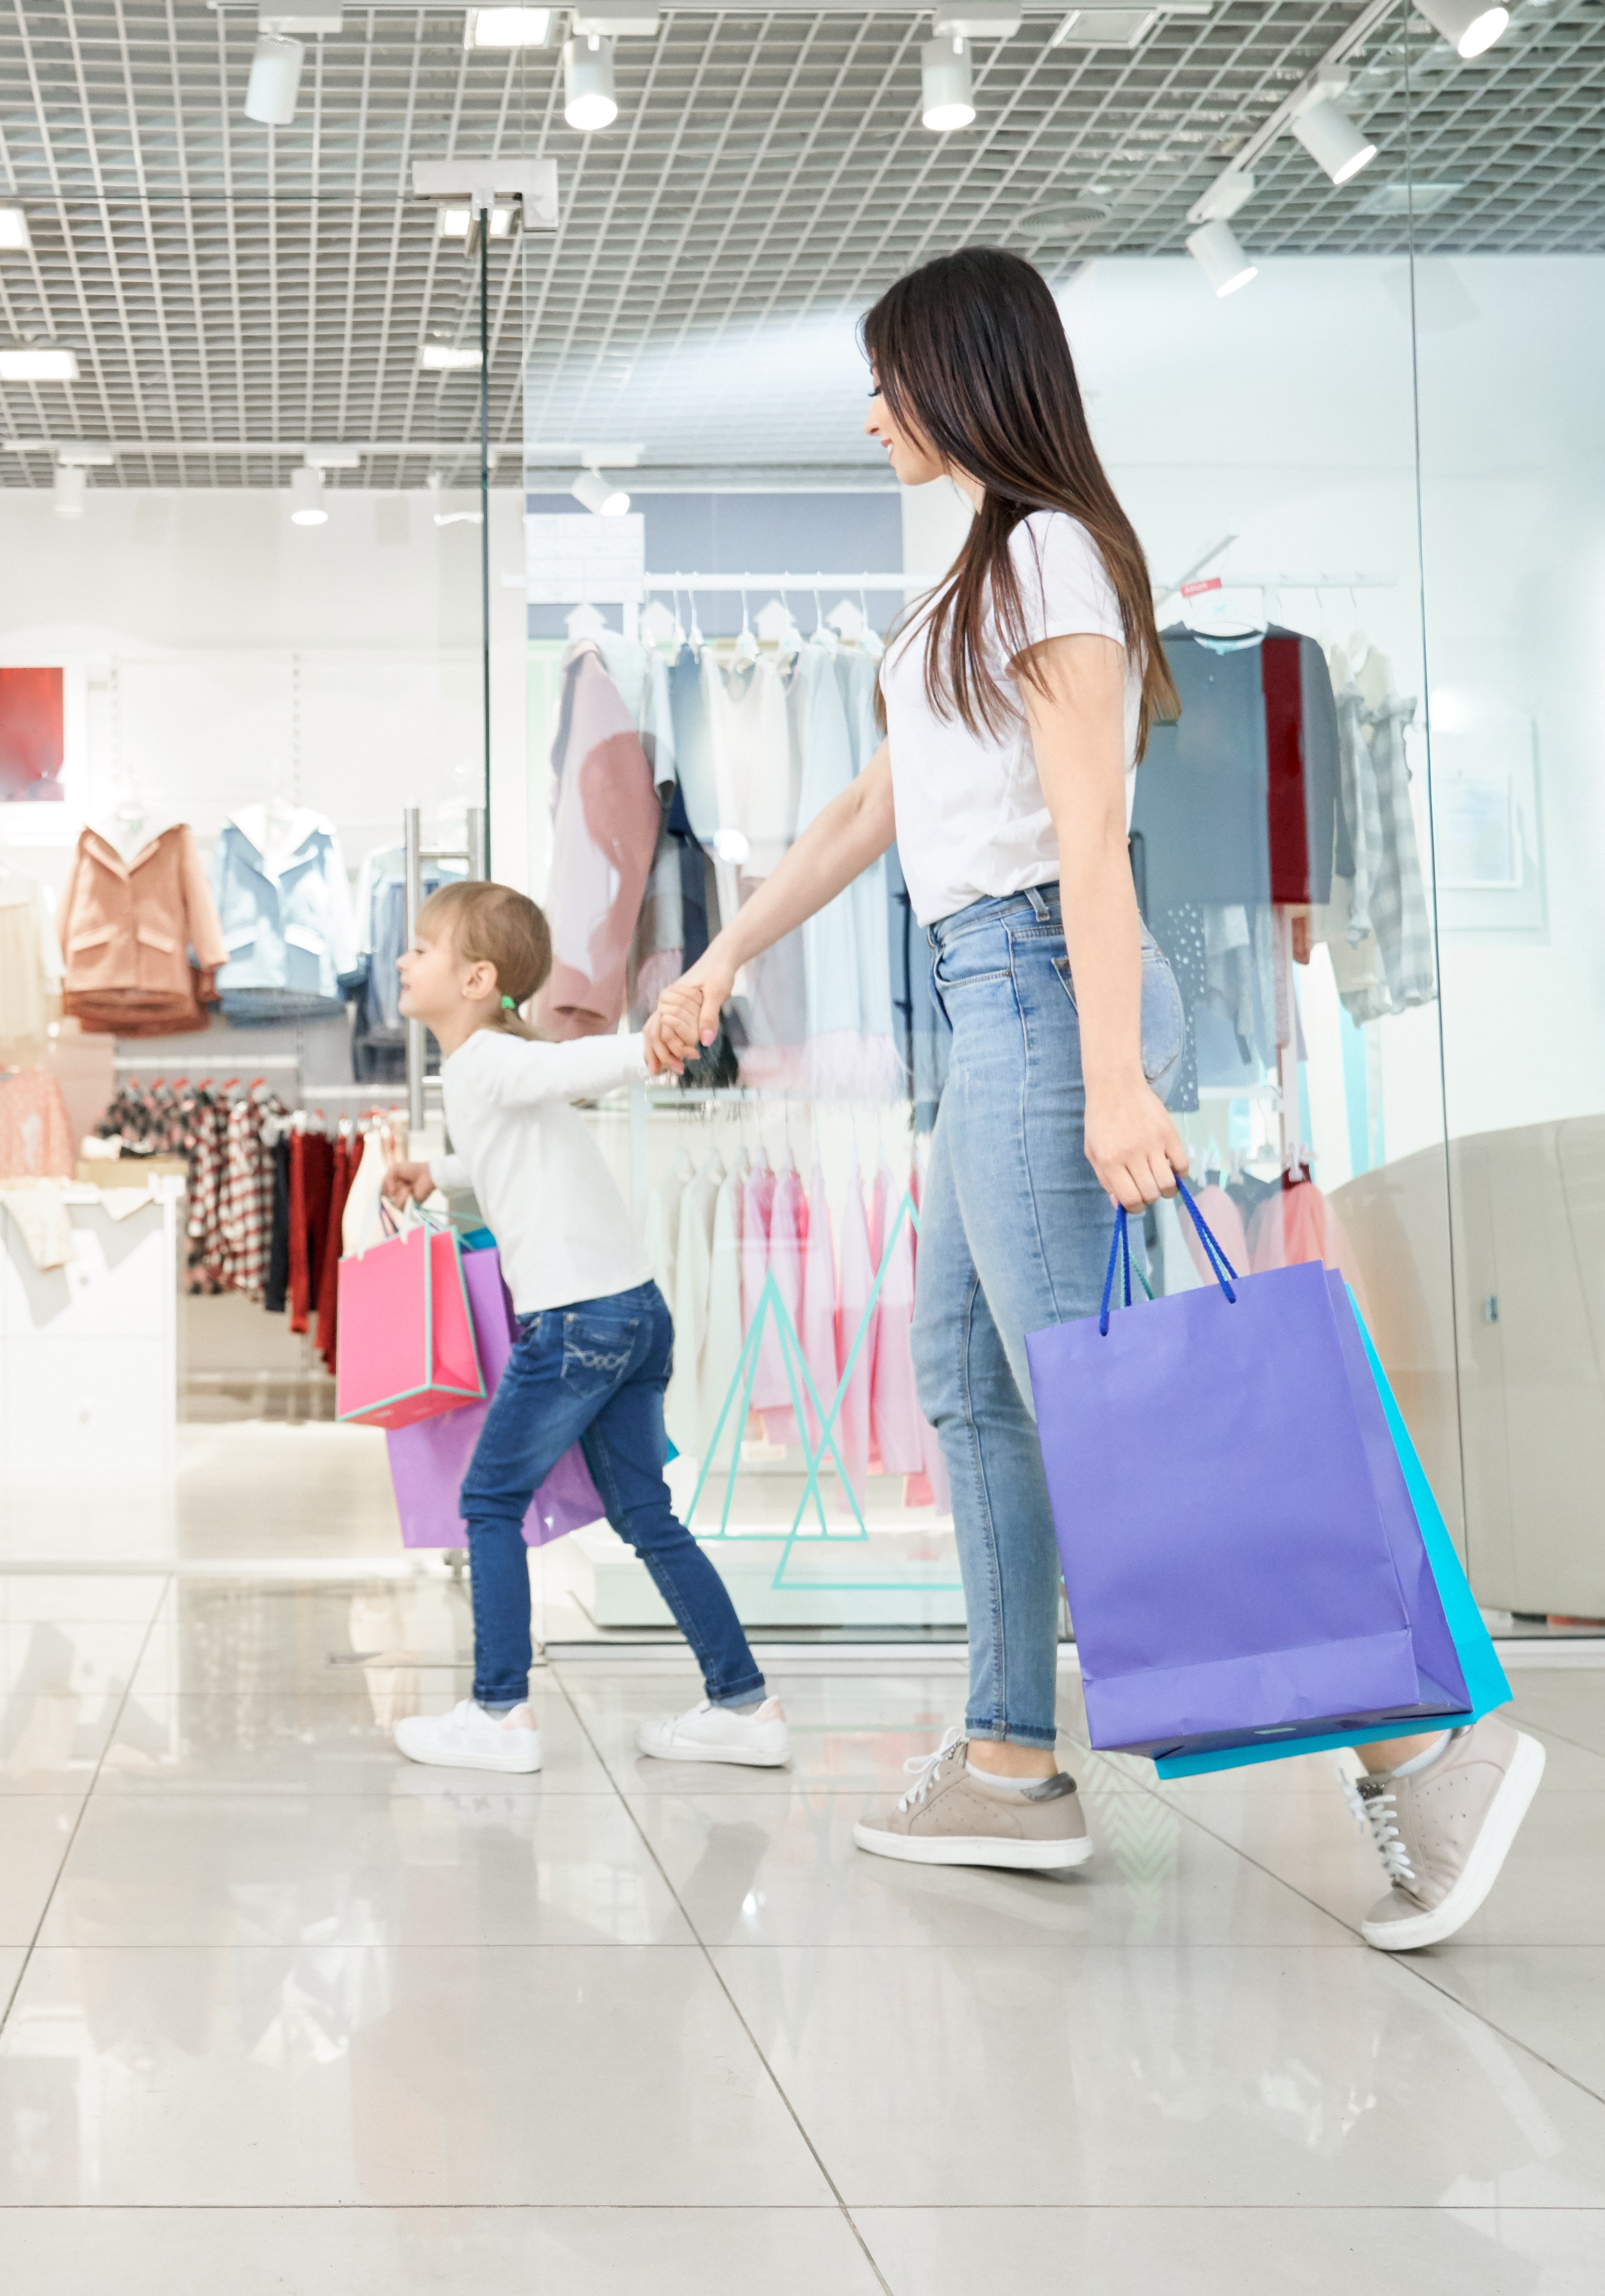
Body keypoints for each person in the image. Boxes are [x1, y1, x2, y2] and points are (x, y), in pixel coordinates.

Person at [646, 246, 1543, 1946]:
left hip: (1044, 1001)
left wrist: (1118, 1079)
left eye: (889, 379)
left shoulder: (1049, 554)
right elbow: (863, 816)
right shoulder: (977, 578)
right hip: (988, 1010)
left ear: (966, 376)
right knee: (976, 1387)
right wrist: (715, 965)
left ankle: (1427, 1745)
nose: (870, 413)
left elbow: (1084, 839)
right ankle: (1009, 1758)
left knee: (1114, 1414)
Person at [383, 878, 788, 1776]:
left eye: (421, 947)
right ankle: (744, 1704)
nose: (403, 960)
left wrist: (646, 1049)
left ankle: (498, 1711)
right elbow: (510, 1147)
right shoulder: (488, 1072)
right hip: (632, 1313)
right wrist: (439, 1174)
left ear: (478, 977)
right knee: (648, 1516)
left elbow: (564, 1068)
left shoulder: (489, 1059)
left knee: (489, 1502)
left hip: (575, 1323)